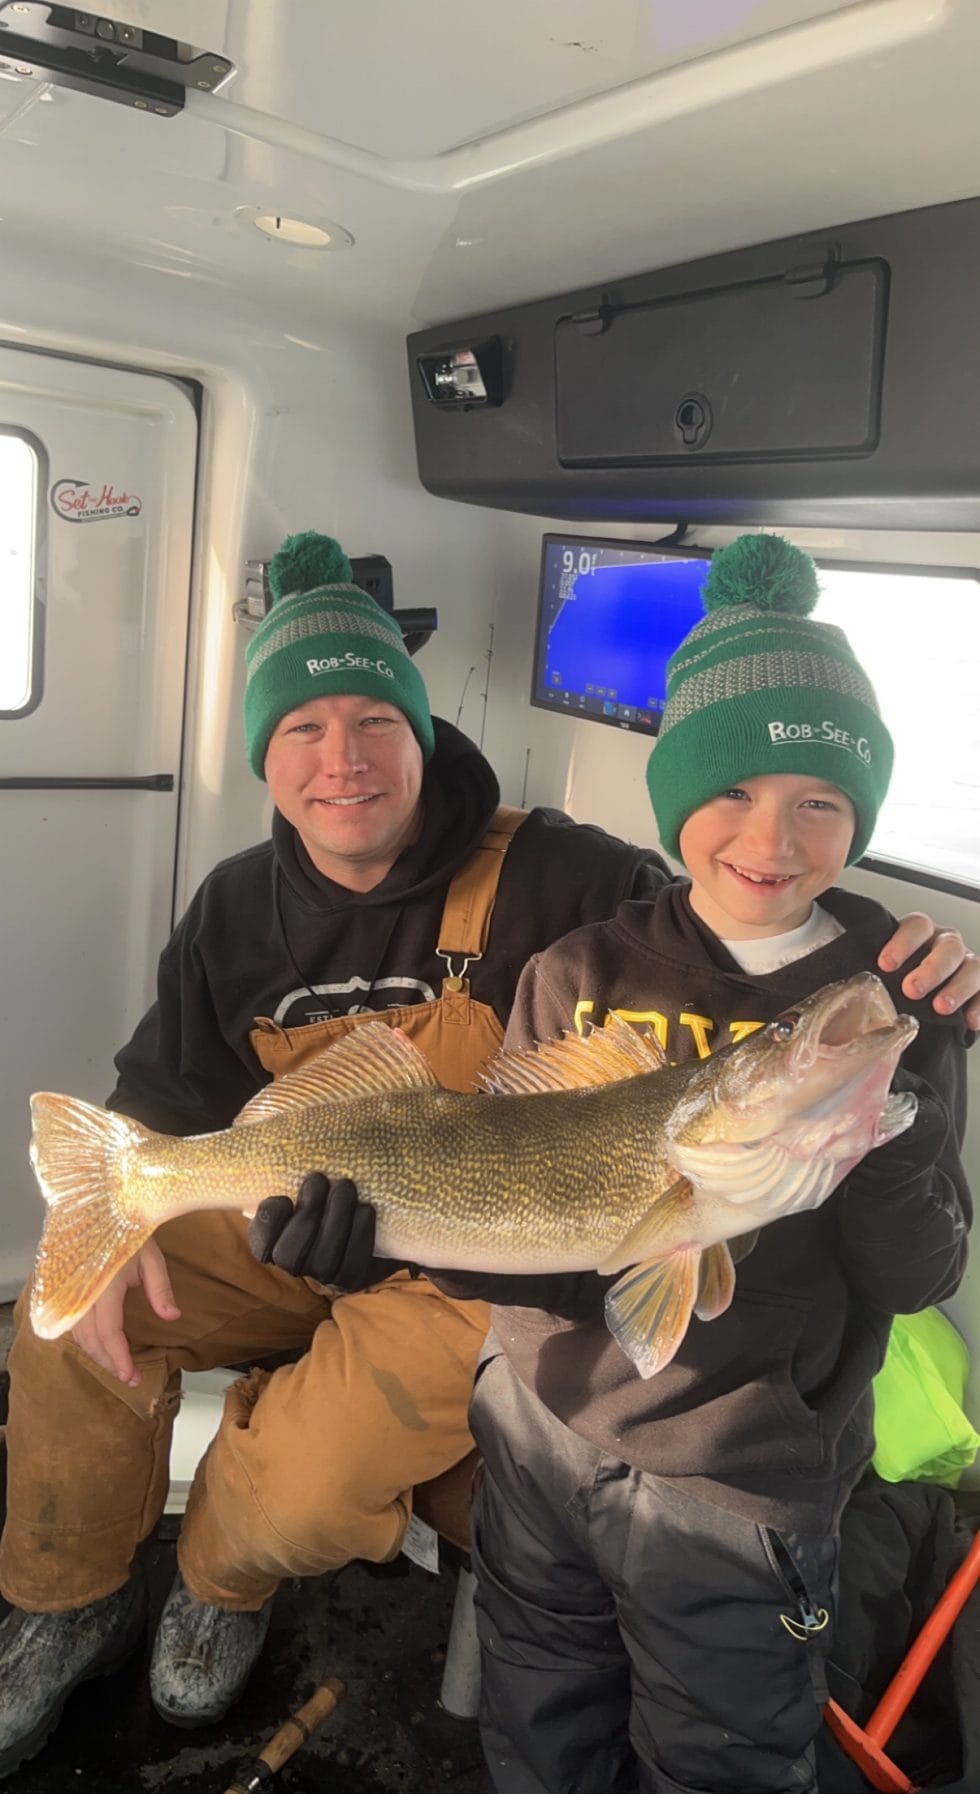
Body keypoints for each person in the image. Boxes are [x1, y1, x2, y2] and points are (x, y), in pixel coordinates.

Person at [0, 530, 974, 1783]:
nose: (341, 760)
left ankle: (218, 1581)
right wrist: (130, 1203)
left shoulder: (569, 881)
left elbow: (727, 905)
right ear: (262, 756)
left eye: (373, 721)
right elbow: (167, 1076)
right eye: (301, 728)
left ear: (424, 731)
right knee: (56, 1320)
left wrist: (901, 964)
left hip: (474, 1255)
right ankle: (63, 1591)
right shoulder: (236, 903)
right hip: (319, 1194)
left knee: (314, 1469)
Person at [454, 534, 972, 1793]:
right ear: (675, 788)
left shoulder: (890, 993)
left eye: (820, 803)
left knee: (722, 1755)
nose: (770, 838)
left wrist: (887, 1123)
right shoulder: (576, 972)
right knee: (535, 1713)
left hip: (742, 1481)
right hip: (539, 1432)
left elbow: (913, 1275)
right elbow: (514, 1229)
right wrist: (374, 1229)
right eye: (731, 790)